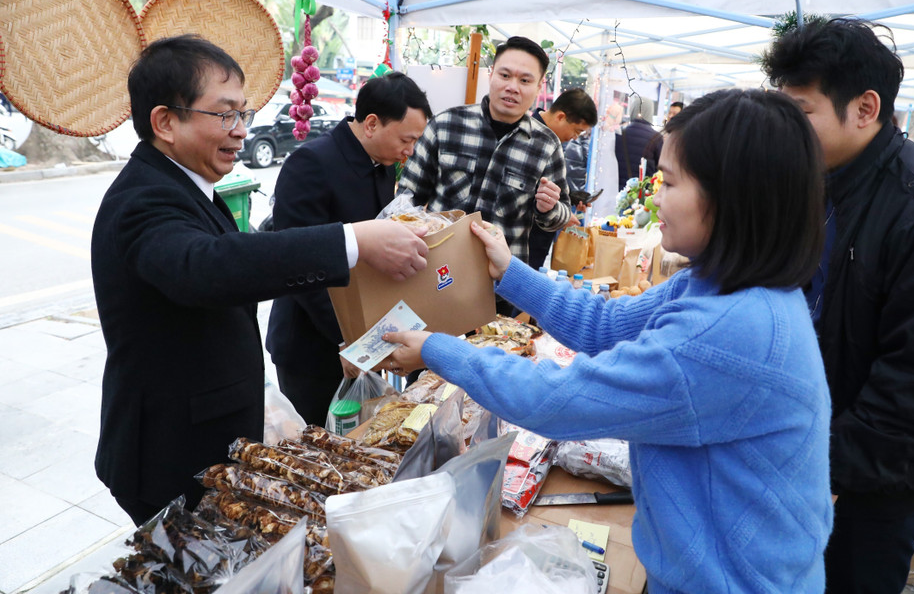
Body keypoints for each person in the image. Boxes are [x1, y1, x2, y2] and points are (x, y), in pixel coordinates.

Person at [385, 89, 833, 593]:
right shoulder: (721, 285)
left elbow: (555, 399)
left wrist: (437, 349)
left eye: (672, 181)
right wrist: (509, 271)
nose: (656, 196)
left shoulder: (730, 331)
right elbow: (604, 325)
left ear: (733, 196)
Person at [91, 35, 429, 525]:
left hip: (215, 432)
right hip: (168, 452)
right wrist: (352, 241)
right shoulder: (142, 200)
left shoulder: (190, 186)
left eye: (243, 114)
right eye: (225, 114)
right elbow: (206, 267)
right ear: (165, 121)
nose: (241, 131)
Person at [762, 17, 914, 594]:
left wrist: (815, 463)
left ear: (865, 108)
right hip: (810, 457)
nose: (785, 132)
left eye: (800, 113)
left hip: (872, 486)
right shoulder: (818, 180)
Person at [265, 73, 432, 426]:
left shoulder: (383, 165)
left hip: (365, 334)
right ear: (371, 124)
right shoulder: (310, 164)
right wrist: (346, 339)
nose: (410, 150)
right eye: (407, 139)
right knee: (315, 451)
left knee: (363, 439)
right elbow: (297, 265)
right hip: (313, 341)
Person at [397, 36, 571, 268]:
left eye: (525, 80)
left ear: (539, 87)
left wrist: (547, 208)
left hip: (501, 283)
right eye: (505, 75)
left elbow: (561, 215)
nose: (512, 87)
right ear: (491, 74)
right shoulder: (446, 124)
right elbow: (407, 199)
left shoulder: (546, 145)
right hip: (436, 272)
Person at [528, 88, 599, 267]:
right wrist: (561, 215)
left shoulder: (553, 141)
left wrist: (571, 197)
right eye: (576, 131)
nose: (575, 138)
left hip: (538, 243)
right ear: (560, 117)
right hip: (522, 244)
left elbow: (542, 184)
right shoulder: (528, 136)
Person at [615, 97, 662, 188]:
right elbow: (659, 168)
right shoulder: (656, 138)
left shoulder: (620, 133)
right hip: (642, 193)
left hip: (619, 190)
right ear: (650, 112)